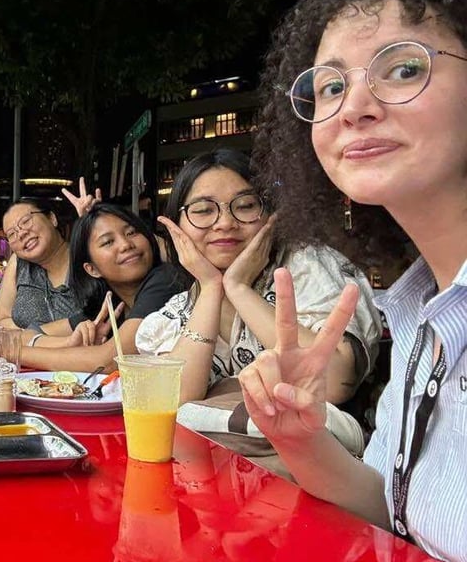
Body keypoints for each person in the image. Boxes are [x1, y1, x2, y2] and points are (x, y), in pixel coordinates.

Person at [235, 0, 467, 562]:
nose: (354, 106)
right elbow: (393, 515)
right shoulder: (420, 309)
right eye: (331, 86)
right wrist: (301, 438)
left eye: (403, 69)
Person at [136, 148, 381, 406]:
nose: (225, 222)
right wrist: (211, 287)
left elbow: (332, 384)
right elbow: (174, 401)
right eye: (203, 210)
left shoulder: (306, 268)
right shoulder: (178, 310)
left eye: (245, 206)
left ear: (269, 215)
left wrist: (239, 288)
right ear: (175, 225)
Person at [19, 203, 182, 372]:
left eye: (132, 232)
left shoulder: (166, 281)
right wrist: (68, 342)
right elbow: (27, 334)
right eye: (108, 242)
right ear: (92, 269)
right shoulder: (109, 304)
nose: (126, 244)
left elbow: (108, 360)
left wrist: (13, 353)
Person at [0, 199, 82, 336]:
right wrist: (31, 339)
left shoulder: (86, 260)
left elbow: (92, 319)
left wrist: (30, 338)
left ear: (52, 218)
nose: (21, 234)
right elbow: (2, 319)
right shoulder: (18, 263)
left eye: (26, 221)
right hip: (26, 355)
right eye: (11, 234)